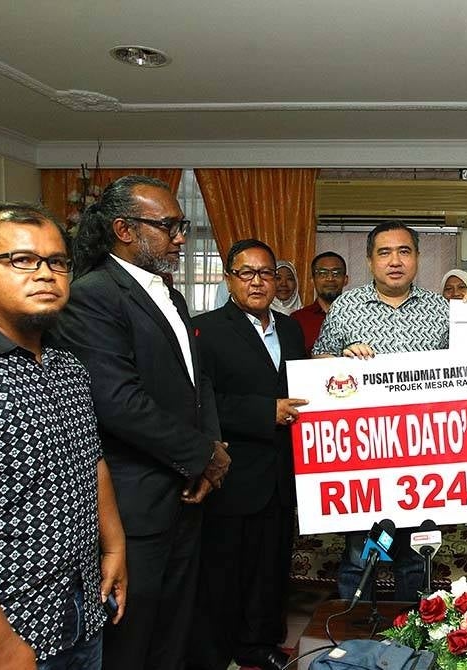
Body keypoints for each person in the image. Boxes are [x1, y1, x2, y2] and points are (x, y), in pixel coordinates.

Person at [55, 175, 230, 670]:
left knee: (173, 628)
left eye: (182, 225)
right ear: (124, 230)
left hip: (186, 492)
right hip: (135, 503)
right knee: (131, 636)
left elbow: (199, 384)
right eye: (169, 226)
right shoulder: (93, 295)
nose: (180, 237)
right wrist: (203, 455)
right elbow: (117, 402)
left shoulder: (170, 295)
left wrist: (211, 448)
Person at [0, 203, 126, 670]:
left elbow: (92, 462)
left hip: (81, 609)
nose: (46, 274)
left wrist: (114, 546)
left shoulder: (67, 368)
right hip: (5, 633)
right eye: (21, 260)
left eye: (57, 261)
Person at [313, 221, 449, 602]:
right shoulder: (346, 306)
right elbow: (315, 364)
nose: (395, 261)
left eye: (404, 251)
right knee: (361, 554)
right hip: (363, 458)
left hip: (424, 457)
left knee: (415, 557)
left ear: (417, 259)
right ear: (370, 261)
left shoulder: (440, 311)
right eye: (384, 252)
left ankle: (413, 640)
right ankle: (352, 643)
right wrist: (340, 358)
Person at [188, 239, 308, 670]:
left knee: (270, 569)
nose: (257, 282)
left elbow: (303, 388)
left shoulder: (291, 328)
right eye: (246, 273)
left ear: (277, 280)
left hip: (282, 474)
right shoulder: (204, 329)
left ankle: (259, 646)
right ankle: (215, 651)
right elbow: (201, 399)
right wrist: (264, 412)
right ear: (228, 278)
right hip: (231, 473)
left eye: (266, 273)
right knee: (223, 571)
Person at [291, 251, 349, 353]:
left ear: (345, 280)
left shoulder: (359, 316)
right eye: (322, 273)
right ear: (312, 280)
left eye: (336, 273)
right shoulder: (298, 319)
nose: (330, 278)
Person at [216, 260, 302, 315]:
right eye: (278, 278)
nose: (284, 284)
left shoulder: (303, 315)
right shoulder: (257, 313)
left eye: (290, 278)